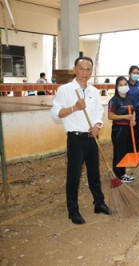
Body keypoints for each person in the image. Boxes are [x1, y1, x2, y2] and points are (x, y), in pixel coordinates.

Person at [50, 56, 110, 225]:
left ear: (92, 71)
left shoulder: (94, 91)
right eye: (81, 69)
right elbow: (56, 115)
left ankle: (99, 203)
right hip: (76, 139)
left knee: (94, 174)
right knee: (74, 176)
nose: (85, 73)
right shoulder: (65, 90)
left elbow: (99, 112)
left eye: (88, 69)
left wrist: (97, 126)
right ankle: (73, 211)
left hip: (92, 138)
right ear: (75, 69)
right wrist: (74, 108)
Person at [108, 76, 136, 183]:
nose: (123, 86)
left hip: (128, 129)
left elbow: (133, 111)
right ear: (116, 87)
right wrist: (125, 117)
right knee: (118, 152)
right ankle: (117, 176)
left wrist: (133, 119)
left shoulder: (129, 99)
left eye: (125, 84)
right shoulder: (114, 100)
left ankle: (122, 173)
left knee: (124, 152)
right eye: (120, 85)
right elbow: (110, 116)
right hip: (118, 129)